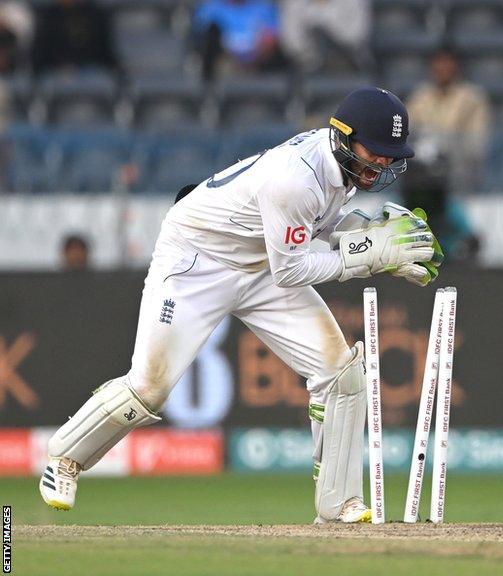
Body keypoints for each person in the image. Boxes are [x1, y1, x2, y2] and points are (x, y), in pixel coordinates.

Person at [39, 88, 443, 525]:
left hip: (261, 263)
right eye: (376, 152)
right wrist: (367, 256)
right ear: (344, 137)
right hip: (198, 261)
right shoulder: (296, 179)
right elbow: (292, 269)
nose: (382, 164)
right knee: (149, 386)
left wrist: (374, 237)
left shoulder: (340, 167)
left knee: (341, 373)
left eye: (390, 156)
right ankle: (65, 458)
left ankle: (337, 503)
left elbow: (313, 231)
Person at [406, 46, 492, 191]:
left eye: (448, 63)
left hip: (460, 172)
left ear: (456, 66)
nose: (443, 68)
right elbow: (408, 134)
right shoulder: (420, 97)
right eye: (439, 63)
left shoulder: (473, 99)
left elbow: (477, 142)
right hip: (423, 171)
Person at [194, 0, 285, 78]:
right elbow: (202, 40)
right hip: (224, 63)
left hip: (259, 63)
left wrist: (256, 57)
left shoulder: (263, 8)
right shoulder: (210, 9)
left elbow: (271, 38)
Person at [280, 0, 371, 73]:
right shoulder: (293, 3)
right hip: (307, 66)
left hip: (350, 64)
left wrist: (323, 25)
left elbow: (356, 36)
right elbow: (291, 44)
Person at [31, 0, 118, 73]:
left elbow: (105, 50)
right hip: (55, 70)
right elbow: (42, 50)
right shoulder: (49, 16)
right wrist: (60, 65)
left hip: (91, 68)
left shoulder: (97, 15)